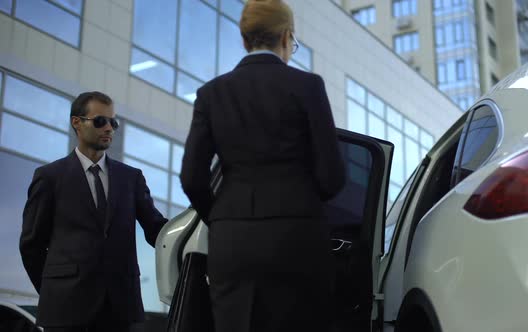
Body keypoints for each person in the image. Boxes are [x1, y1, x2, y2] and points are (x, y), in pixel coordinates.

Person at [179, 0, 346, 331]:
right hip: (296, 235)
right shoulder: (309, 87)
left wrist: (222, 217)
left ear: (244, 40)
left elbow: (192, 178)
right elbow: (332, 176)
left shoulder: (212, 94)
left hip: (233, 238)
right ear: (286, 37)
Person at [20, 91, 168, 332]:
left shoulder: (131, 178)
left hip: (119, 308)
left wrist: (196, 224)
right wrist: (54, 291)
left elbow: (157, 230)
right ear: (76, 122)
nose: (109, 128)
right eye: (101, 121)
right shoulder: (49, 177)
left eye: (113, 122)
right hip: (65, 309)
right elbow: (31, 244)